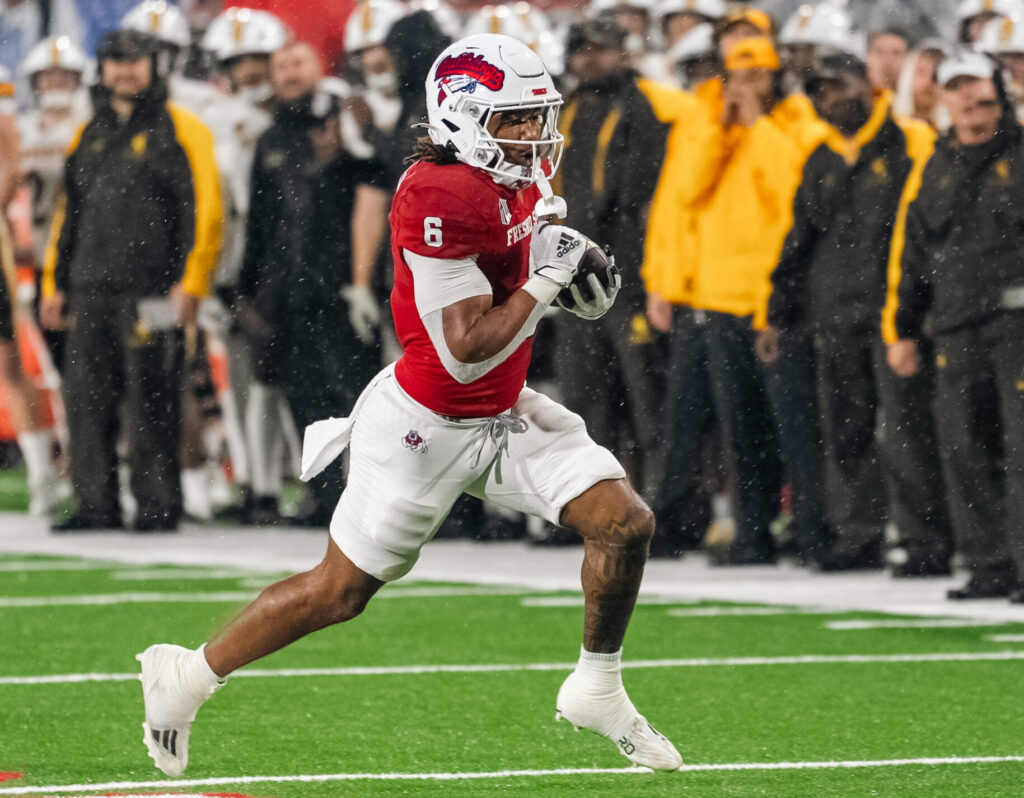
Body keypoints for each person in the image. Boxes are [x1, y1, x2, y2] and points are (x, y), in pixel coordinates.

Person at [137, 32, 681, 777]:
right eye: (516, 120)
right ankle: (187, 676)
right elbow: (464, 348)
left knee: (624, 523)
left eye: (537, 116)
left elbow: (519, 275)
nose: (534, 135)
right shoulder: (439, 192)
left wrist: (569, 273)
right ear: (463, 118)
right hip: (427, 423)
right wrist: (548, 283)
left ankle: (597, 686)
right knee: (339, 593)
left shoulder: (513, 178)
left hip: (502, 411)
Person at [759, 53, 953, 574]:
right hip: (834, 314)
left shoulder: (912, 141)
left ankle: (925, 539)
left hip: (894, 313)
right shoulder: (821, 155)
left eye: (839, 85)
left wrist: (925, 306)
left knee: (907, 429)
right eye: (820, 91)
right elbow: (798, 239)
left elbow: (932, 233)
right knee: (844, 430)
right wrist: (776, 312)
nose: (831, 99)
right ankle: (858, 535)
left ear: (869, 82)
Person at [41, 29, 222, 532]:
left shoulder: (183, 128)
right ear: (101, 70)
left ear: (153, 65)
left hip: (155, 290)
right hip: (90, 289)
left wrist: (193, 280)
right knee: (86, 400)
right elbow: (67, 215)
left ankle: (157, 506)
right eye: (115, 62)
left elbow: (206, 209)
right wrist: (54, 285)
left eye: (135, 61)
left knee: (153, 397)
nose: (125, 71)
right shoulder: (89, 132)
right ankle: (94, 505)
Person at [884, 50, 1024, 600]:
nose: (968, 99)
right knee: (966, 449)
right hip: (957, 328)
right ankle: (990, 563)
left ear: (997, 92)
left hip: (1017, 325)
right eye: (957, 88)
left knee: (1021, 449)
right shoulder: (936, 164)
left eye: (978, 88)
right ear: (942, 98)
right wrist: (904, 328)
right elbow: (916, 254)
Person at [234, 41, 389, 528]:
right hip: (289, 293)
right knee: (306, 400)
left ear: (318, 67)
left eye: (297, 62)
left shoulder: (348, 123)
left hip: (341, 291)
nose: (288, 72)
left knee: (354, 397)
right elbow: (260, 222)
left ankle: (364, 500)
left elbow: (378, 186)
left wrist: (346, 154)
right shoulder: (271, 138)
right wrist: (247, 287)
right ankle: (325, 500)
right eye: (280, 66)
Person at [553, 18, 669, 509]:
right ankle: (592, 510)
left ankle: (661, 509)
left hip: (631, 278)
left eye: (599, 49)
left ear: (623, 52)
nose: (589, 59)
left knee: (648, 405)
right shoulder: (568, 110)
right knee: (585, 406)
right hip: (577, 279)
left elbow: (646, 196)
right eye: (580, 50)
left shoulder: (642, 106)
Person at [866, 27, 910, 92]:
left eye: (896, 53)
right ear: (869, 55)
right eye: (880, 52)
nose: (887, 60)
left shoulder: (919, 99)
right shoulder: (853, 95)